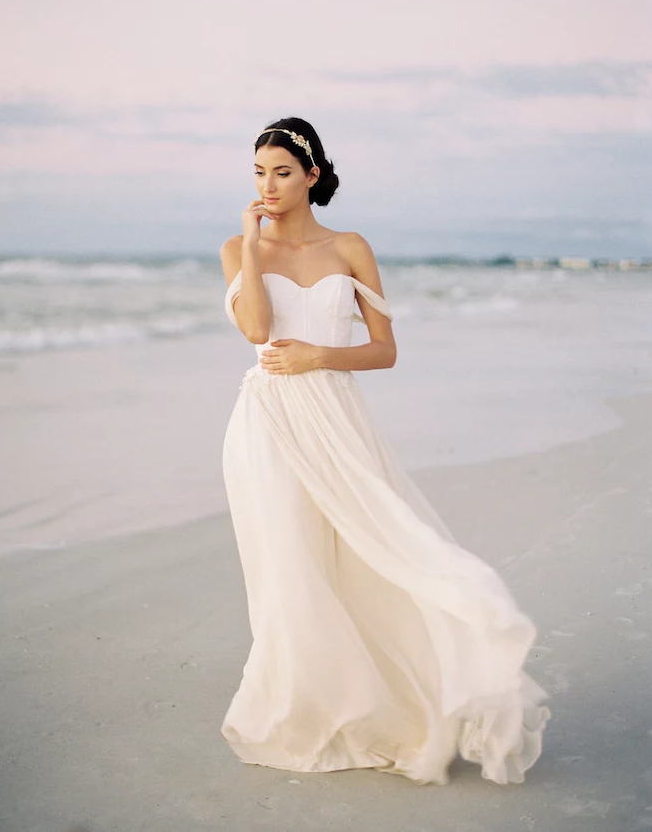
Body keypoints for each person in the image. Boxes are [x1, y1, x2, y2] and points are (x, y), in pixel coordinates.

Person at [218, 116, 551, 786]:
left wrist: (319, 355)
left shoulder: (351, 247)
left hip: (337, 419)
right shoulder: (237, 248)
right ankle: (313, 705)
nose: (269, 185)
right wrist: (253, 251)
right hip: (268, 425)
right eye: (259, 172)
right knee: (290, 567)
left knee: (380, 548)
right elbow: (255, 328)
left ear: (313, 175)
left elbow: (385, 350)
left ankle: (414, 692)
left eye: (283, 171)